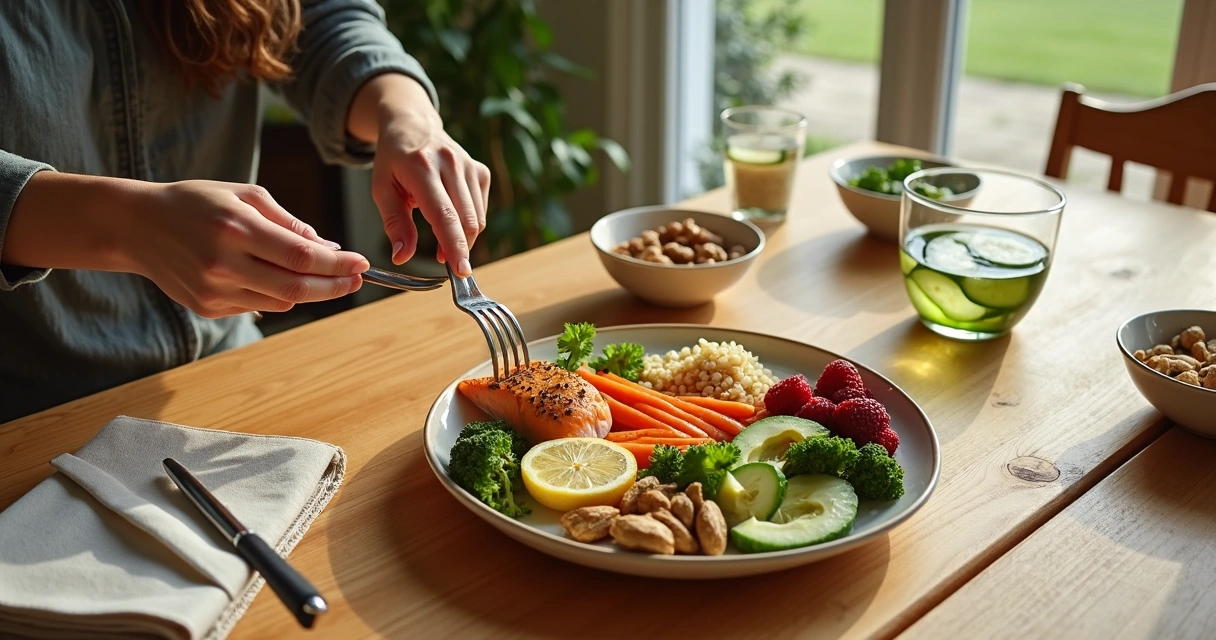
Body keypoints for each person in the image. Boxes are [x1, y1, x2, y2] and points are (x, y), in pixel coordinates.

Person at [0, 0, 489, 422]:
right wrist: (127, 225)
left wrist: (406, 115)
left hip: (229, 367)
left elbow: (314, 16)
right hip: (27, 410)